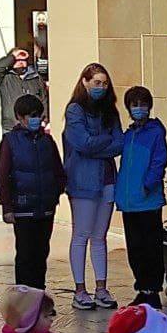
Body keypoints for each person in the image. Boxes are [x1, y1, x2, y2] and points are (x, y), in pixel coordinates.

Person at [62, 63, 124, 311]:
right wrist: (105, 142)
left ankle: (101, 287)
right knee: (81, 235)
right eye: (97, 82)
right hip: (83, 181)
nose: (101, 87)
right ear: (85, 81)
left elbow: (119, 143)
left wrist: (99, 145)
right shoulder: (75, 110)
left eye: (105, 83)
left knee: (100, 237)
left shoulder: (110, 112)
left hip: (107, 179)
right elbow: (82, 143)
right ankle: (79, 290)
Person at [0, 95, 66, 289]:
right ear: (20, 117)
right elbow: (2, 176)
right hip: (23, 208)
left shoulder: (47, 141)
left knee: (41, 253)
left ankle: (39, 294)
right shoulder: (10, 141)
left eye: (38, 115)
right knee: (26, 254)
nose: (35, 120)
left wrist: (55, 192)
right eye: (31, 116)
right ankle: (24, 296)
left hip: (45, 207)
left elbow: (57, 169)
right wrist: (7, 206)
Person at [117, 87, 167, 308]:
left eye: (142, 104)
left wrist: (149, 184)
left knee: (151, 247)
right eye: (134, 104)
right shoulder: (128, 135)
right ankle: (142, 287)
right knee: (135, 248)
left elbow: (160, 160)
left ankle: (152, 289)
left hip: (147, 200)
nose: (139, 109)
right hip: (129, 202)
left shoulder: (155, 132)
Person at [0, 47, 49, 134]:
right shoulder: (5, 78)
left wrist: (44, 120)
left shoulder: (36, 78)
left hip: (33, 125)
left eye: (23, 59)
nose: (20, 62)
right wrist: (13, 55)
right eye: (17, 60)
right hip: (12, 126)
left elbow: (44, 100)